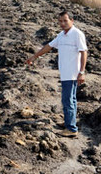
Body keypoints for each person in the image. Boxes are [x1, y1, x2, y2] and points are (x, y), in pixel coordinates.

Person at [25, 9, 88, 137]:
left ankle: (71, 129)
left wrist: (82, 72)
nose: (63, 23)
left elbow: (84, 52)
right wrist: (34, 57)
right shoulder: (61, 35)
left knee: (67, 100)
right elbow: (49, 46)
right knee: (71, 100)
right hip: (65, 73)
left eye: (65, 20)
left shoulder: (77, 34)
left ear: (72, 20)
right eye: (60, 21)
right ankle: (68, 122)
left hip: (72, 74)